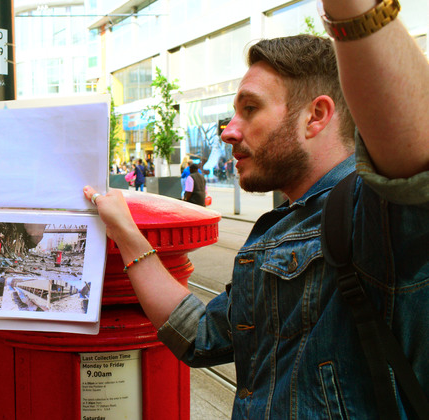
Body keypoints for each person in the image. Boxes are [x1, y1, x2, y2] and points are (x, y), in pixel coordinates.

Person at [84, 7, 429, 418]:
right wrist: (125, 231)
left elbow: (415, 153)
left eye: (250, 108)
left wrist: (352, 13)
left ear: (316, 116)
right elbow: (202, 335)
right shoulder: (283, 226)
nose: (228, 131)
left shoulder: (373, 215)